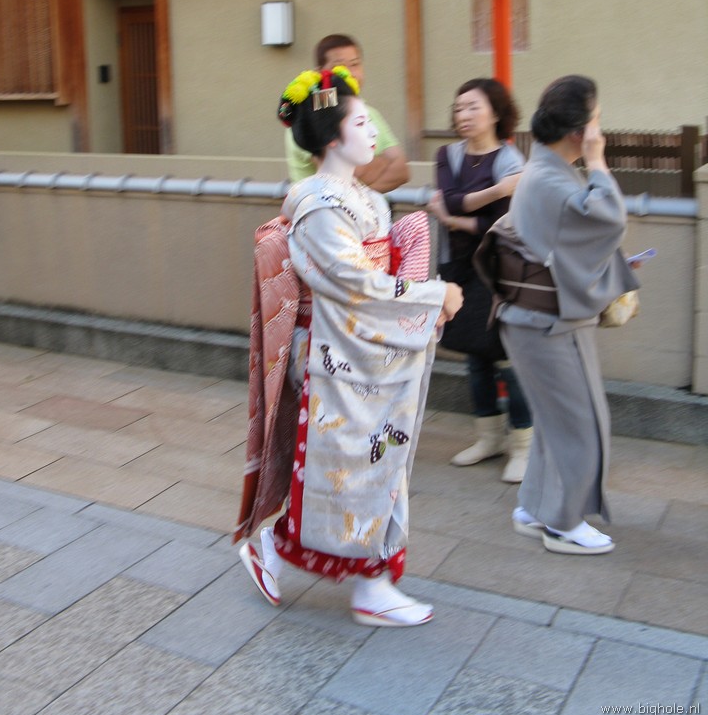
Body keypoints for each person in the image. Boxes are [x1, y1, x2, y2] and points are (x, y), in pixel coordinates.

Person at [237, 65, 463, 626]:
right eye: (362, 123)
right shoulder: (318, 206)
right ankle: (367, 584)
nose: (373, 132)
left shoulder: (361, 197)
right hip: (335, 356)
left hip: (363, 349)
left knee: (372, 466)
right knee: (355, 470)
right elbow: (354, 283)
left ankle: (340, 571)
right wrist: (432, 296)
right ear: (334, 138)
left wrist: (412, 258)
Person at [476, 75, 639, 555]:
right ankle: (563, 524)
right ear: (578, 132)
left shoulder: (546, 170)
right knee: (580, 423)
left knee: (555, 422)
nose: (600, 129)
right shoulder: (550, 177)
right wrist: (598, 160)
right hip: (547, 324)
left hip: (536, 320)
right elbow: (607, 217)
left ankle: (535, 507)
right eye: (596, 120)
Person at [428, 78, 532, 483]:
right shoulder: (448, 154)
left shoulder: (510, 158)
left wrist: (453, 218)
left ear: (496, 112)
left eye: (473, 106)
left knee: (507, 356)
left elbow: (500, 222)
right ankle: (488, 438)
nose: (463, 115)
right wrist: (496, 191)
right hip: (458, 267)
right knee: (474, 355)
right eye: (459, 108)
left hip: (498, 267)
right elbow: (451, 198)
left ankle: (523, 445)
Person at [284, 34, 410, 193]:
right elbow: (351, 171)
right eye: (339, 66)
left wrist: (360, 196)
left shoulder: (370, 112)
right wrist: (385, 162)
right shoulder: (312, 116)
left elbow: (402, 171)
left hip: (363, 207)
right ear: (320, 72)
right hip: (321, 206)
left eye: (355, 64)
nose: (350, 73)